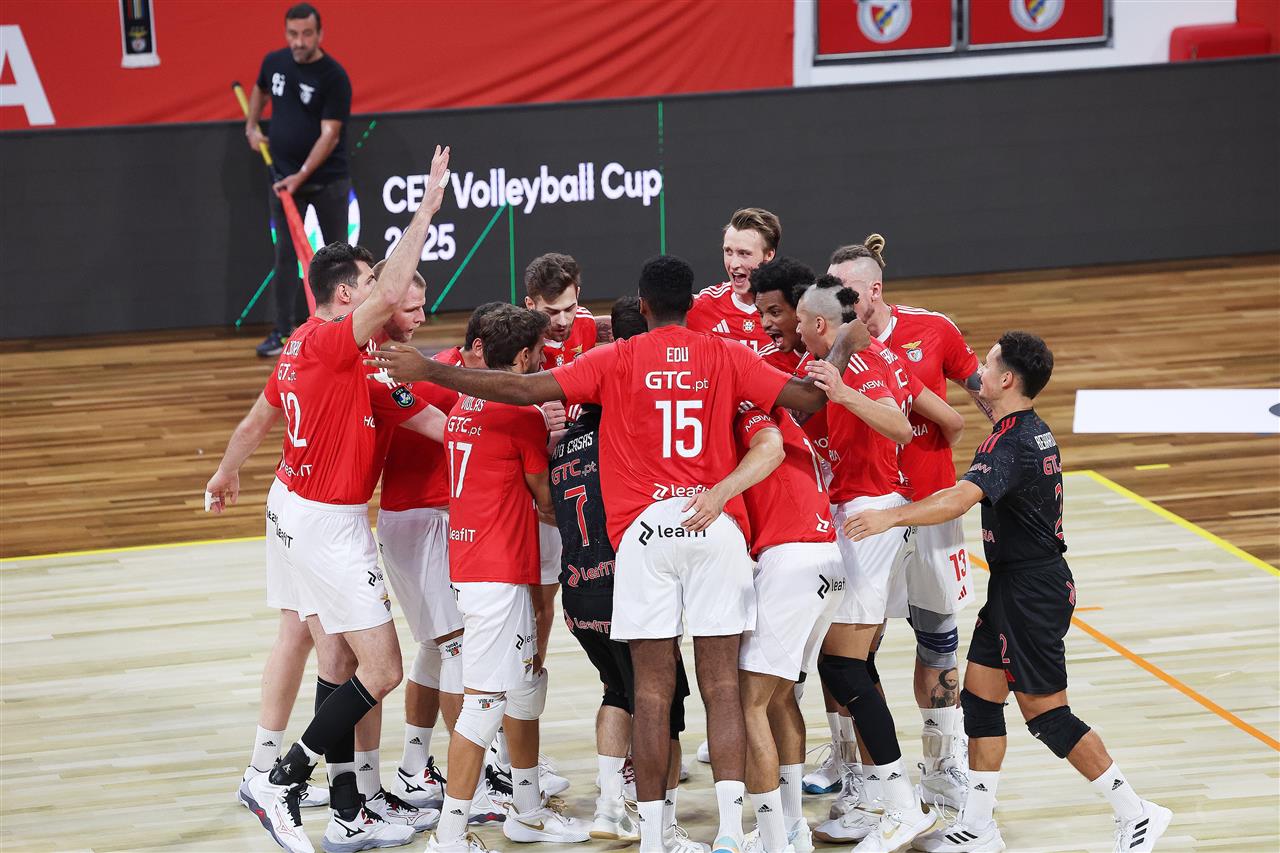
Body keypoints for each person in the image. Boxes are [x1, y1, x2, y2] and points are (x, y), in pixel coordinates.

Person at [367, 254, 869, 853]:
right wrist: (844, 340)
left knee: (650, 692)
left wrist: (431, 370)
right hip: (713, 525)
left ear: (644, 304)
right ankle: (731, 834)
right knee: (723, 690)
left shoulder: (616, 357)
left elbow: (522, 388)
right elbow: (809, 399)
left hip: (646, 536)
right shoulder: (727, 355)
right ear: (693, 304)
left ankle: (654, 836)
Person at [846, 331, 1172, 852]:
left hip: (1031, 591)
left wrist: (891, 517)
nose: (978, 368)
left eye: (988, 362)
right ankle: (978, 826)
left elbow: (959, 499)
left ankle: (1137, 812)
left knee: (1047, 715)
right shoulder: (1025, 429)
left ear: (1006, 379)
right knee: (979, 700)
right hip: (1014, 585)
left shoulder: (1011, 443)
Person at [237, 145, 450, 853]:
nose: (387, 293)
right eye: (370, 283)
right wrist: (426, 208)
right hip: (327, 523)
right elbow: (390, 297)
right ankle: (282, 780)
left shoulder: (321, 346)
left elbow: (434, 423)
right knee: (382, 668)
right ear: (345, 296)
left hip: (300, 508)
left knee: (335, 659)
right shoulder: (333, 343)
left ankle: (349, 808)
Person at [828, 234, 985, 807]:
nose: (837, 299)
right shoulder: (840, 348)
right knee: (850, 650)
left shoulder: (929, 332)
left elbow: (971, 407)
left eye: (846, 289)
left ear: (875, 289)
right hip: (869, 517)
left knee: (938, 642)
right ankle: (852, 767)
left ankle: (942, 768)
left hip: (929, 512)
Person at [427, 305, 590, 853]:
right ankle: (450, 835)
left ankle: (527, 811)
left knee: (522, 689)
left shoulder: (465, 404)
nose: (543, 362)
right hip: (494, 573)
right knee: (484, 704)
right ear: (522, 357)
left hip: (480, 563)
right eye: (539, 354)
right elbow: (545, 497)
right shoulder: (518, 414)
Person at [791, 278, 935, 851]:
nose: (794, 329)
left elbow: (900, 427)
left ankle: (900, 804)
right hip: (859, 513)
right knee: (848, 666)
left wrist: (843, 392)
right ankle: (876, 797)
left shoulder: (862, 365)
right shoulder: (841, 359)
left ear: (819, 324)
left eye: (799, 320)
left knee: (845, 667)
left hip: (869, 515)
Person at [549, 297, 698, 849]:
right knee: (663, 709)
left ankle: (611, 808)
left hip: (576, 592)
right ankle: (666, 826)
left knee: (617, 690)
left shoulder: (563, 441)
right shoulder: (632, 431)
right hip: (625, 588)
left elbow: (547, 506)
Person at [732, 403, 843, 853]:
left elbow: (770, 453)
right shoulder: (788, 416)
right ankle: (794, 828)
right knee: (780, 698)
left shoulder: (748, 413)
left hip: (791, 561)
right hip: (827, 559)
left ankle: (773, 837)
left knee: (750, 704)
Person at [247, 2, 354, 357]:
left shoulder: (333, 76)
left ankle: (344, 329)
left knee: (339, 261)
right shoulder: (274, 62)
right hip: (283, 182)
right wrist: (251, 126)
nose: (299, 41)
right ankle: (282, 332)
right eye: (293, 34)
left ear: (320, 34)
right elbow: (260, 89)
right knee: (283, 257)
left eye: (307, 34)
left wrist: (301, 176)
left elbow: (330, 135)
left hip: (327, 183)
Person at [686, 208, 782, 355]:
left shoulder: (793, 312)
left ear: (769, 255)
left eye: (744, 253)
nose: (734, 264)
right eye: (728, 252)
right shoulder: (701, 306)